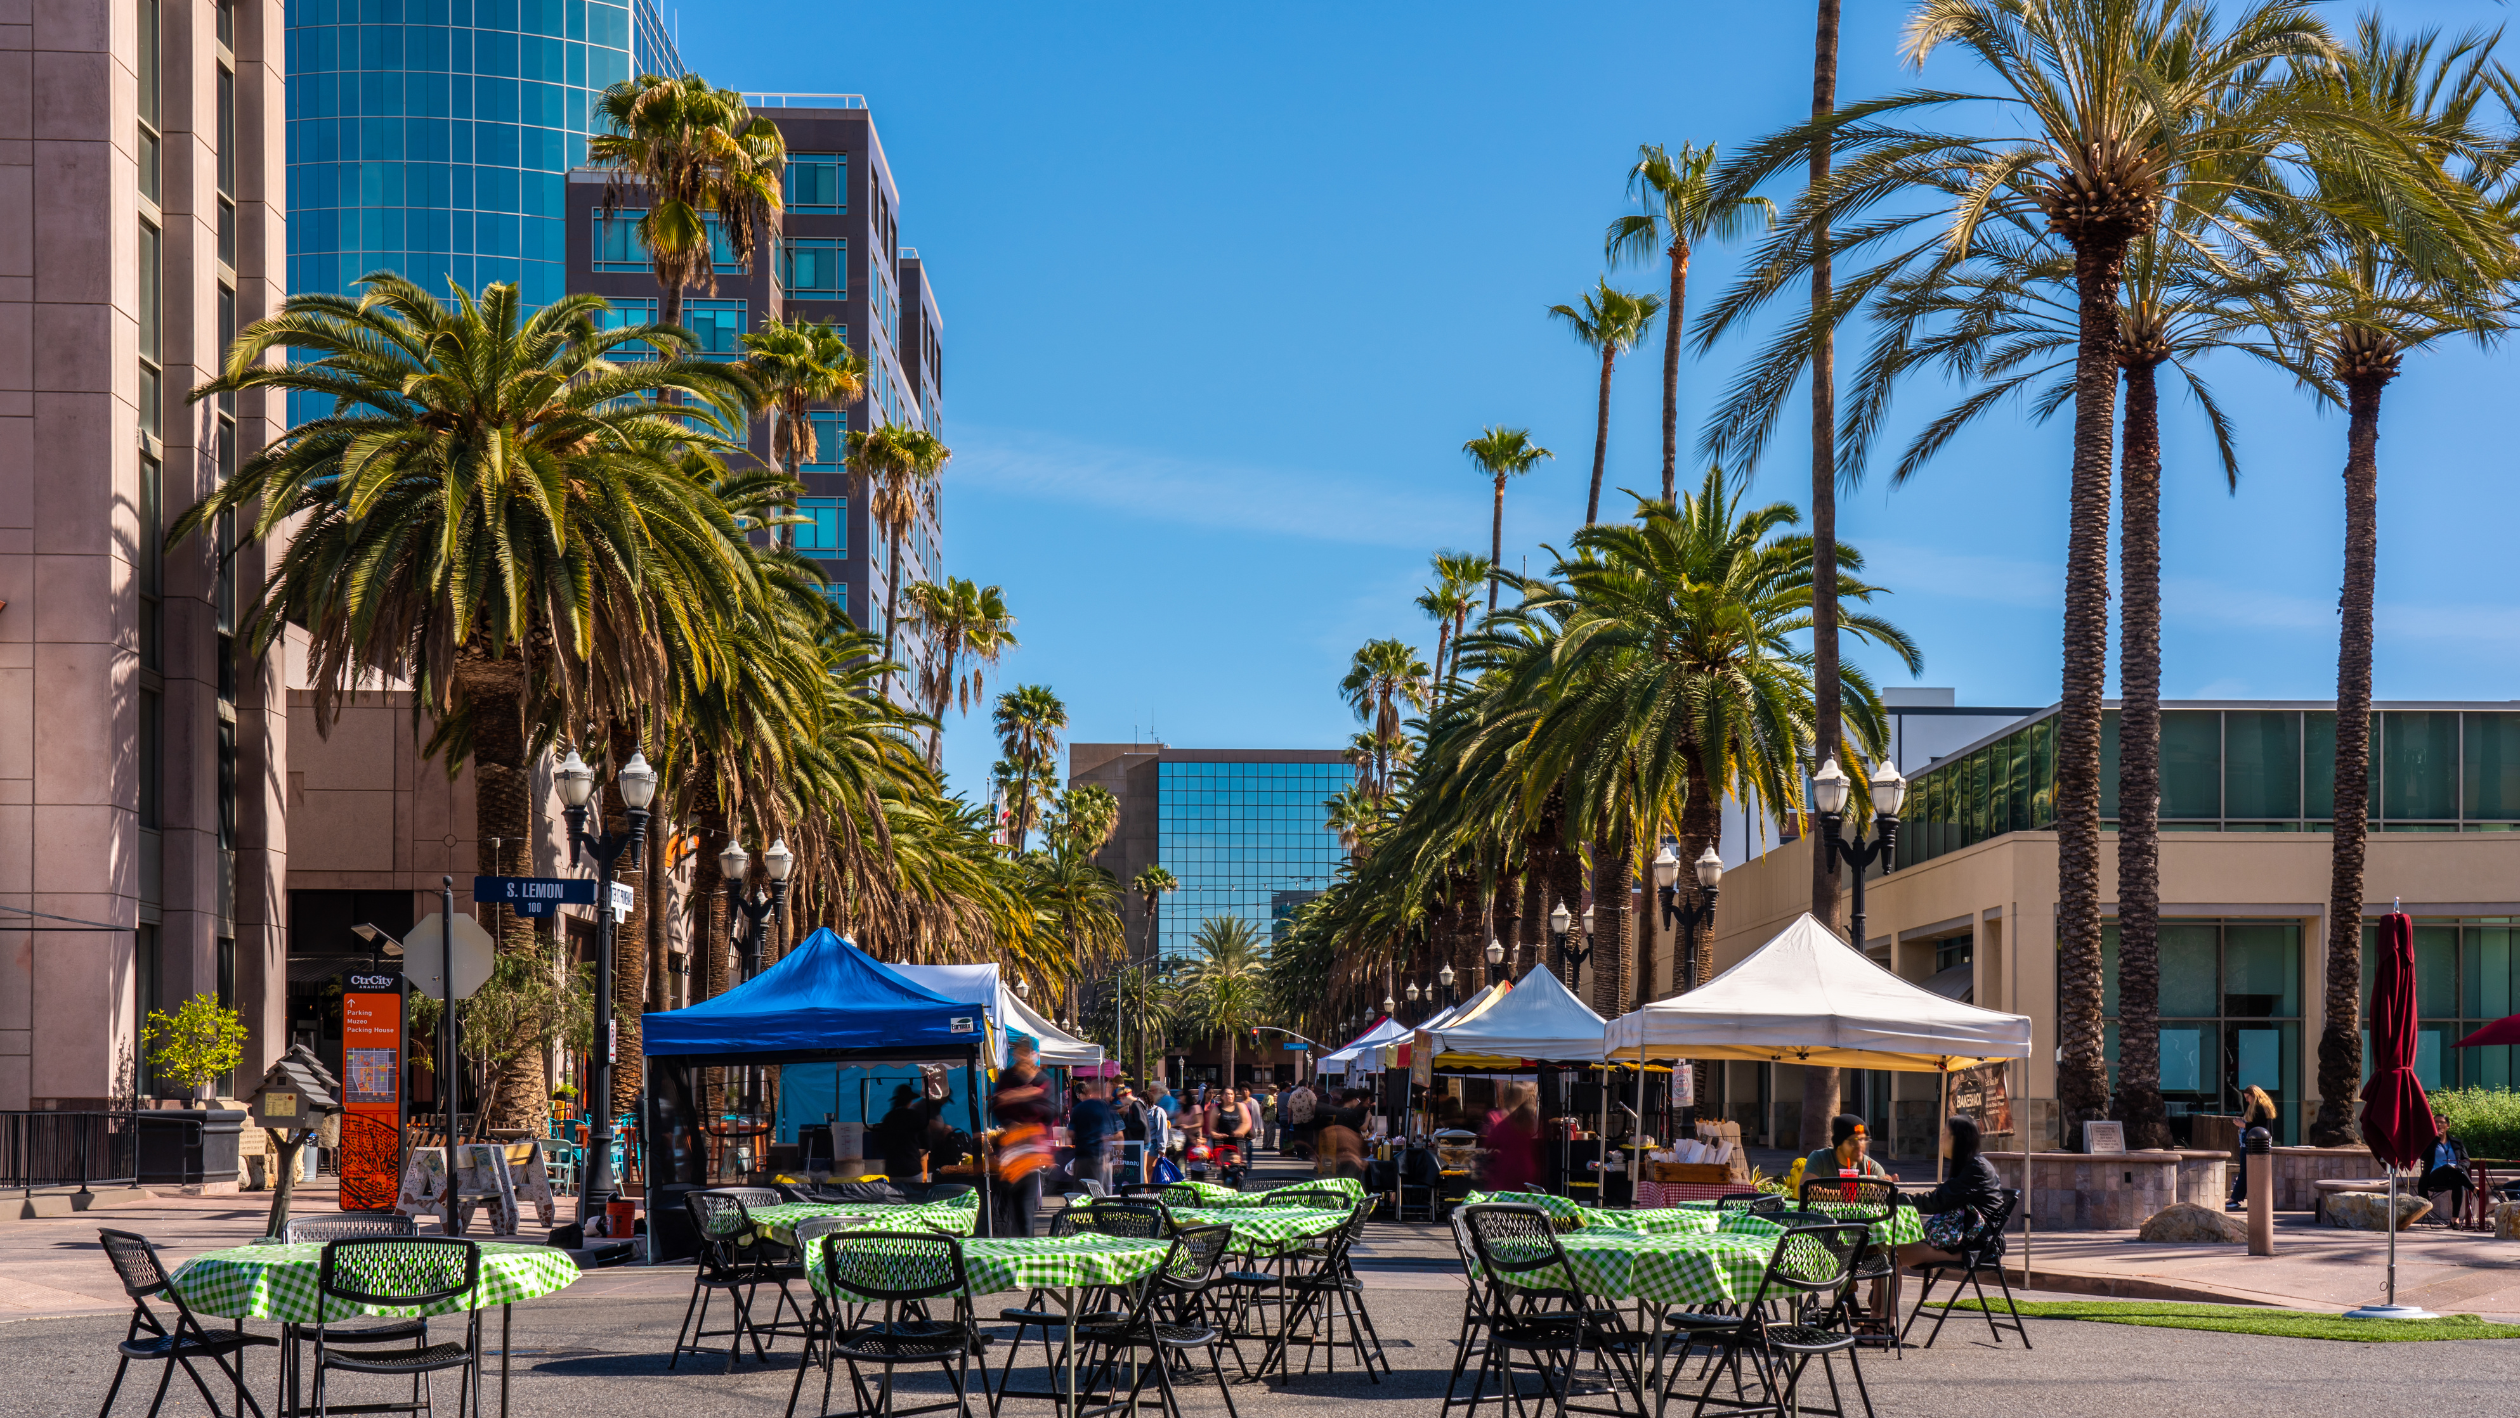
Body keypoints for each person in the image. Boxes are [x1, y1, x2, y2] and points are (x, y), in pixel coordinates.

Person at [1882, 1114, 2006, 1320]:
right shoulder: (1970, 1166)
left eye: (1944, 1134)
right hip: (1963, 1241)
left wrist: (1891, 1199)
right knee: (1887, 1250)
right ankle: (1879, 1321)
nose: (1940, 1139)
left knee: (1891, 1255)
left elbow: (1935, 1201)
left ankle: (1884, 1325)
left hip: (1975, 1247)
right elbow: (1941, 1200)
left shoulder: (1976, 1169)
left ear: (1958, 1139)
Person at [989, 1039, 1055, 1236]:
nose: (1022, 1057)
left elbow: (1049, 1111)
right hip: (1011, 1149)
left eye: (1025, 1053)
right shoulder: (1008, 1077)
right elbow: (996, 1106)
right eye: (1018, 1053)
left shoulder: (1042, 1077)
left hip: (1032, 1151)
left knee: (1025, 1207)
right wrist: (1024, 1094)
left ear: (1032, 1054)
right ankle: (1015, 1245)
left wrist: (1016, 1097)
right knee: (1012, 1206)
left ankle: (1027, 1247)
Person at [1802, 1114, 1891, 1199]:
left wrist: (1885, 1186)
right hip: (1824, 1214)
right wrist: (1851, 1195)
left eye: (1863, 1140)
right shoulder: (1820, 1159)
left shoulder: (1872, 1167)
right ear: (1839, 1144)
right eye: (1853, 1141)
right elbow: (1804, 1191)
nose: (1860, 1145)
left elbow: (1886, 1197)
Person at [1481, 1082, 1543, 1192]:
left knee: (1504, 1204)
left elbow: (1489, 1143)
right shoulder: (1529, 1118)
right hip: (1526, 1167)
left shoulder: (1499, 1117)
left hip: (1506, 1168)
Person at [876, 1083, 940, 1182]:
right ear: (910, 1101)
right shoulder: (916, 1117)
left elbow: (881, 1144)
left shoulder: (889, 1118)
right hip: (912, 1169)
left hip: (893, 1170)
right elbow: (927, 1143)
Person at [2228, 1085, 2279, 1208]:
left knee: (2245, 1170)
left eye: (2247, 1097)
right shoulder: (2265, 1106)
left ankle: (2235, 1198)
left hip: (2251, 1144)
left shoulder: (2259, 1108)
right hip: (2259, 1144)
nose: (2246, 1100)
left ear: (2254, 1095)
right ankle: (2238, 1198)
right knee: (2250, 1171)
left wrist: (2243, 1125)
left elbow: (2259, 1127)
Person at [1066, 1076, 1119, 1193]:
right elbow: (1117, 1134)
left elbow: (1070, 1133)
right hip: (1100, 1154)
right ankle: (1099, 1211)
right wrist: (1119, 1157)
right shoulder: (1106, 1108)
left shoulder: (1079, 1108)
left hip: (1082, 1154)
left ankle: (1082, 1210)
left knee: (1081, 1190)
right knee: (1100, 1191)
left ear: (1089, 1090)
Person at [1285, 1078, 1318, 1159]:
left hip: (1297, 1120)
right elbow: (1314, 1105)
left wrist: (1289, 1118)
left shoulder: (1293, 1093)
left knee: (1298, 1137)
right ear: (1306, 1085)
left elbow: (1289, 1107)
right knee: (1308, 1138)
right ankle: (1309, 1154)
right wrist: (1314, 1114)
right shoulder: (1310, 1093)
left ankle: (1300, 1155)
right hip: (1308, 1119)